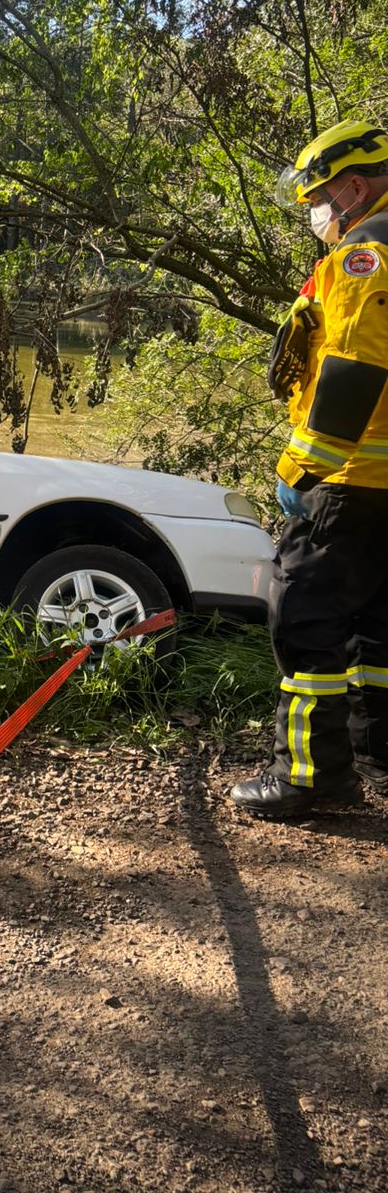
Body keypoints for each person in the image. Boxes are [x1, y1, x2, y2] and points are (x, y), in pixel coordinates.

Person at [230, 121, 388, 818]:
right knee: (378, 624)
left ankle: (311, 777)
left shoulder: (366, 256)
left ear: (353, 187)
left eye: (319, 199)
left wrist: (301, 468)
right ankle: (377, 752)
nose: (317, 212)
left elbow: (355, 371)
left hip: (350, 479)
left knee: (301, 616)